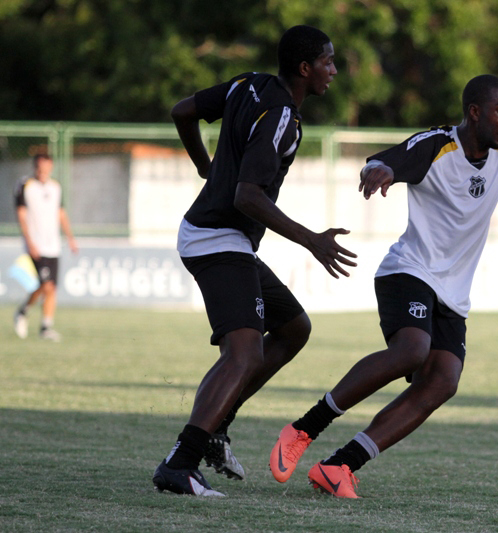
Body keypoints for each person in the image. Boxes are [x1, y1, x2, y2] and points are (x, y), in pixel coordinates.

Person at [269, 74, 498, 498]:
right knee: (412, 350)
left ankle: (340, 466)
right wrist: (380, 171)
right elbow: (384, 160)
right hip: (409, 271)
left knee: (443, 381)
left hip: (453, 291)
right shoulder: (437, 145)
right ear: (475, 112)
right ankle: (305, 428)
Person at [152, 25, 357, 497]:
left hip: (218, 237)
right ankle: (180, 464)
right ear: (305, 69)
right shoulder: (282, 115)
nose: (334, 69)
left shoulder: (250, 83)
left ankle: (215, 429)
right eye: (328, 61)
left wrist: (205, 165)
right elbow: (247, 196)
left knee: (293, 329)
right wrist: (312, 240)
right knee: (244, 354)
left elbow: (182, 111)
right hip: (216, 238)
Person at [13, 154, 79, 342]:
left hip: (53, 245)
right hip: (35, 245)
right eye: (40, 168)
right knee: (45, 285)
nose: (43, 172)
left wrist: (70, 238)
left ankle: (45, 326)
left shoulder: (55, 187)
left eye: (47, 168)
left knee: (51, 289)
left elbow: (61, 214)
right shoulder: (25, 185)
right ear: (35, 166)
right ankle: (23, 312)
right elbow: (21, 215)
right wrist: (29, 241)